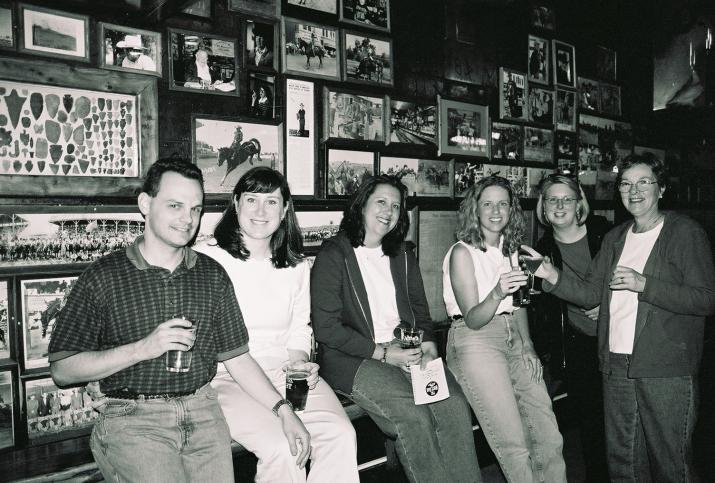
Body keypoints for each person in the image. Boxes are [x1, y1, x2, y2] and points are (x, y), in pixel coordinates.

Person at [47, 158, 310, 482]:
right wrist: (143, 348)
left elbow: (239, 358)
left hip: (202, 409)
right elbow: (62, 369)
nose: (187, 219)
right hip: (134, 416)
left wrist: (283, 411)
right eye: (175, 205)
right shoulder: (104, 276)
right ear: (146, 203)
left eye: (196, 209)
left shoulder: (212, 274)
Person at [526, 152, 715, 482]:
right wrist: (548, 273)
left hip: (664, 366)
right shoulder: (616, 238)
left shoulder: (685, 232)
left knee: (671, 463)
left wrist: (645, 285)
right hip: (615, 365)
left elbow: (705, 299)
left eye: (644, 182)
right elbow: (589, 294)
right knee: (624, 462)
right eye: (627, 183)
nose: (635, 190)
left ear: (662, 189)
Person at [311, 174, 482, 483]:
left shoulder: (403, 254)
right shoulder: (334, 253)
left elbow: (420, 312)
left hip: (406, 349)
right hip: (355, 358)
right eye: (380, 202)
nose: (388, 211)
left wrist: (428, 346)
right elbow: (326, 329)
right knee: (413, 416)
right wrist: (382, 353)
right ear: (361, 205)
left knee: (453, 405)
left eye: (396, 206)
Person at [194, 167, 359, 483]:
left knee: (341, 434)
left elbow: (300, 327)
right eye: (251, 199)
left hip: (285, 374)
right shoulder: (207, 258)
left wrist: (301, 364)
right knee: (284, 448)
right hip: (226, 378)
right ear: (236, 203)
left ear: (284, 210)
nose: (260, 211)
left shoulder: (296, 266)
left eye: (271, 202)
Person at [442, 175, 567, 483]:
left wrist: (528, 347)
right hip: (475, 340)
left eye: (503, 203)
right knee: (514, 442)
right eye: (488, 204)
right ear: (475, 209)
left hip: (514, 335)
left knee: (547, 432)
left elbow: (519, 305)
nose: (495, 211)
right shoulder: (462, 252)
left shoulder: (512, 250)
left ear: (512, 210)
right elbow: (473, 318)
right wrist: (497, 292)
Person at [532, 174, 610, 482]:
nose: (560, 205)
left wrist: (608, 306)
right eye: (552, 199)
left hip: (616, 338)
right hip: (577, 344)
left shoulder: (605, 233)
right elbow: (548, 309)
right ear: (544, 207)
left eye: (567, 198)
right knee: (591, 425)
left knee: (622, 419)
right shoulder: (543, 249)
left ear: (580, 204)